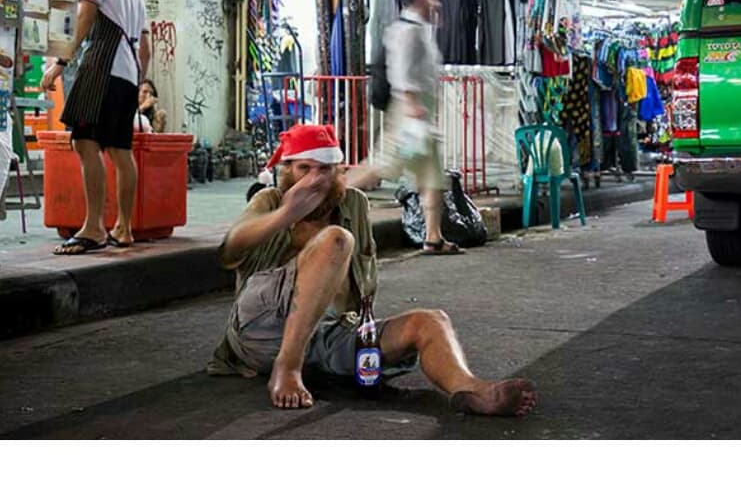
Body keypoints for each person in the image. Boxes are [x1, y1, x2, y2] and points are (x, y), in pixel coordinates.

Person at [207, 123, 537, 416]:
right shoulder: (270, 200)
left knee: (431, 321)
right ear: (287, 171)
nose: (313, 180)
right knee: (336, 240)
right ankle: (287, 367)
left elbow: (360, 286)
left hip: (327, 334)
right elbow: (229, 250)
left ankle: (472, 390)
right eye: (304, 168)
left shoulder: (353, 204)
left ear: (338, 172)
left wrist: (368, 340)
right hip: (260, 331)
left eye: (324, 170)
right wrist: (286, 214)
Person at [41, 0, 149, 253]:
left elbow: (85, 15)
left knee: (85, 141)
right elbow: (145, 47)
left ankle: (93, 228)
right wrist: (138, 82)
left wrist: (61, 61)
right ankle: (124, 228)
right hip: (129, 74)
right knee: (120, 150)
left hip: (102, 66)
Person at [347, 0, 461, 255]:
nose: (436, 0)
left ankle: (433, 237)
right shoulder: (407, 31)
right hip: (409, 112)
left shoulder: (421, 28)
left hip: (419, 113)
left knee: (432, 175)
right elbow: (402, 71)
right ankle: (327, 193)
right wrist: (412, 106)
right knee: (384, 165)